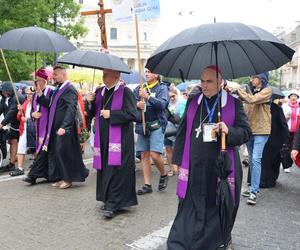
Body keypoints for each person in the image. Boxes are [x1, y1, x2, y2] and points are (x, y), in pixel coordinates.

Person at [167, 66, 251, 250]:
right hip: (194, 164)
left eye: (209, 81)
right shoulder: (193, 102)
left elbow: (246, 133)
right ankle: (186, 237)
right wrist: (177, 161)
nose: (204, 86)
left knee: (217, 204)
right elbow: (181, 133)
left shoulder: (233, 104)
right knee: (190, 204)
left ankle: (219, 237)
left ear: (220, 82)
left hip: (220, 166)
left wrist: (229, 131)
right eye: (202, 81)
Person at [23, 65, 88, 188]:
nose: (53, 77)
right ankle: (60, 177)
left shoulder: (70, 89)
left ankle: (68, 179)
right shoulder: (58, 90)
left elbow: (71, 109)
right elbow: (50, 105)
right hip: (54, 128)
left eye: (55, 75)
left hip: (63, 129)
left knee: (63, 153)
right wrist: (40, 94)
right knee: (56, 153)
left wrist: (65, 126)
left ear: (63, 75)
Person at [86, 68, 138, 219]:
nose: (103, 77)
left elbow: (132, 114)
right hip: (103, 138)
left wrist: (112, 114)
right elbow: (92, 113)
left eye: (106, 75)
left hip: (120, 140)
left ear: (117, 75)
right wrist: (89, 102)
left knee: (116, 170)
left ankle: (114, 204)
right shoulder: (100, 91)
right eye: (103, 74)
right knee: (105, 169)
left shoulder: (125, 91)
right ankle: (107, 198)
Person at [229, 73, 272, 205]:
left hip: (262, 130)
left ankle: (253, 192)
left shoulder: (267, 90)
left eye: (253, 77)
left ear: (261, 78)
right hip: (250, 130)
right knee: (253, 161)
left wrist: (238, 90)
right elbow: (244, 103)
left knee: (255, 159)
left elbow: (252, 100)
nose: (251, 79)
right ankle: (254, 187)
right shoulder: (249, 91)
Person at [134, 68, 169, 195]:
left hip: (157, 124)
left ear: (156, 74)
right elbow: (131, 103)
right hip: (142, 125)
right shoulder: (139, 87)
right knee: (144, 154)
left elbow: (163, 105)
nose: (147, 74)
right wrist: (137, 104)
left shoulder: (162, 88)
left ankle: (163, 174)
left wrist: (147, 97)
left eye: (149, 71)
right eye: (146, 71)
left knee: (155, 154)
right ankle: (147, 184)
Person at [260, 99, 289, 188]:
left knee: (274, 161)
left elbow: (284, 125)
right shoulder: (260, 108)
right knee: (264, 161)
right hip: (263, 138)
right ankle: (263, 181)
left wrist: (285, 141)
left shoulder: (277, 108)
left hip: (275, 139)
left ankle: (271, 181)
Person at [9, 88, 35, 176]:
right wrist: (20, 112)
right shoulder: (25, 103)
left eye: (31, 94)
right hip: (24, 129)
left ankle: (39, 164)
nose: (28, 95)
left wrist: (27, 119)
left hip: (33, 130)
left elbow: (39, 118)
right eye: (27, 94)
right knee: (21, 147)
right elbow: (18, 118)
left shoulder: (37, 105)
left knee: (34, 149)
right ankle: (20, 168)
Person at [0, 82, 25, 173]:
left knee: (29, 144)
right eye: (2, 92)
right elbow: (1, 108)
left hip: (21, 123)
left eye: (5, 91)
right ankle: (12, 163)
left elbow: (12, 112)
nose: (3, 93)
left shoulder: (18, 98)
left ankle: (37, 161)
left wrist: (2, 124)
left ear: (9, 90)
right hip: (13, 124)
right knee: (12, 141)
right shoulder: (4, 98)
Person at [164, 86, 186, 176]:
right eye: (170, 97)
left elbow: (183, 118)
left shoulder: (182, 103)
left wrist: (173, 118)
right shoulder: (167, 103)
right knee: (168, 148)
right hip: (168, 128)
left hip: (178, 129)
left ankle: (179, 167)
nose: (172, 98)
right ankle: (171, 168)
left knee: (177, 149)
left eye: (173, 96)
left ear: (177, 95)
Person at [281, 90, 300, 173]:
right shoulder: (285, 106)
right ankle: (286, 165)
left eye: (295, 96)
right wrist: (285, 118)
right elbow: (281, 119)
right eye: (292, 96)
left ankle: (290, 163)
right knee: (285, 148)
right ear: (289, 97)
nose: (293, 97)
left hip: (297, 131)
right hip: (287, 130)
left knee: (294, 147)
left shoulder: (299, 107)